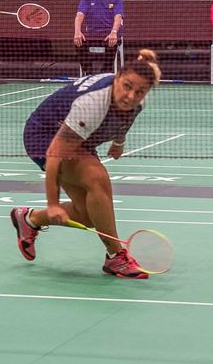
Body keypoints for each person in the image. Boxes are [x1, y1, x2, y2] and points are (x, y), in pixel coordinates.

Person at [11, 50, 163, 280]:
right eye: (127, 86)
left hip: (80, 138)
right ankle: (116, 256)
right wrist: (53, 204)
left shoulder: (137, 99)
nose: (131, 96)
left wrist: (119, 142)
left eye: (139, 92)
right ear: (117, 78)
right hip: (45, 136)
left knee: (90, 216)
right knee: (97, 179)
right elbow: (54, 153)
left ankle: (30, 219)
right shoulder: (92, 103)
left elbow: (127, 117)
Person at [73, 0, 124, 75]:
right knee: (78, 42)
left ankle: (103, 74)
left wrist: (114, 32)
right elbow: (80, 14)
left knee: (112, 44)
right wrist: (77, 31)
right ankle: (89, 73)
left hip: (109, 35)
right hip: (92, 34)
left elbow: (118, 17)